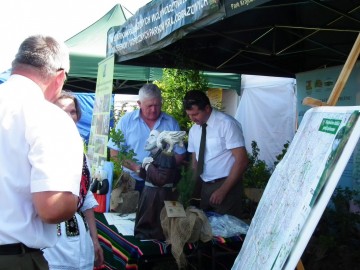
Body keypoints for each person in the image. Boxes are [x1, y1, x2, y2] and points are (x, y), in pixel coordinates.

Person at [0, 35, 83, 269]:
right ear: (59, 77)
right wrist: (74, 196)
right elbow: (53, 207)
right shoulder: (48, 117)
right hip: (13, 258)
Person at [43, 91, 104, 269]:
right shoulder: (42, 148)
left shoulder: (79, 151)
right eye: (63, 111)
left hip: (80, 238)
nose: (69, 117)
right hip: (52, 241)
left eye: (72, 112)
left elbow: (86, 198)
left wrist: (95, 239)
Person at [108, 83, 186, 193]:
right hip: (132, 181)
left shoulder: (171, 123)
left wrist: (164, 169)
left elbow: (180, 153)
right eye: (149, 106)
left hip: (162, 183)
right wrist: (137, 168)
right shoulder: (126, 122)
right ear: (139, 103)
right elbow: (115, 154)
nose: (154, 110)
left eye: (157, 105)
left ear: (161, 102)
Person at [183, 90, 249, 219]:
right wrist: (190, 188)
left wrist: (223, 190)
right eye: (189, 115)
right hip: (205, 185)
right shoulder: (194, 130)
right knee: (205, 231)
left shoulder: (227, 124)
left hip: (227, 184)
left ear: (207, 108)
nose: (192, 118)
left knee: (227, 233)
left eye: (195, 114)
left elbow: (242, 160)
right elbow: (195, 162)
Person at [135, 130, 186, 240]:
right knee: (146, 218)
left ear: (160, 140)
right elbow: (146, 177)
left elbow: (161, 179)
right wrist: (143, 168)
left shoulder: (166, 156)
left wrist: (148, 166)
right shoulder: (153, 155)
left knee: (154, 220)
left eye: (152, 137)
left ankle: (151, 234)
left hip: (158, 197)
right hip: (150, 194)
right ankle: (145, 232)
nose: (148, 140)